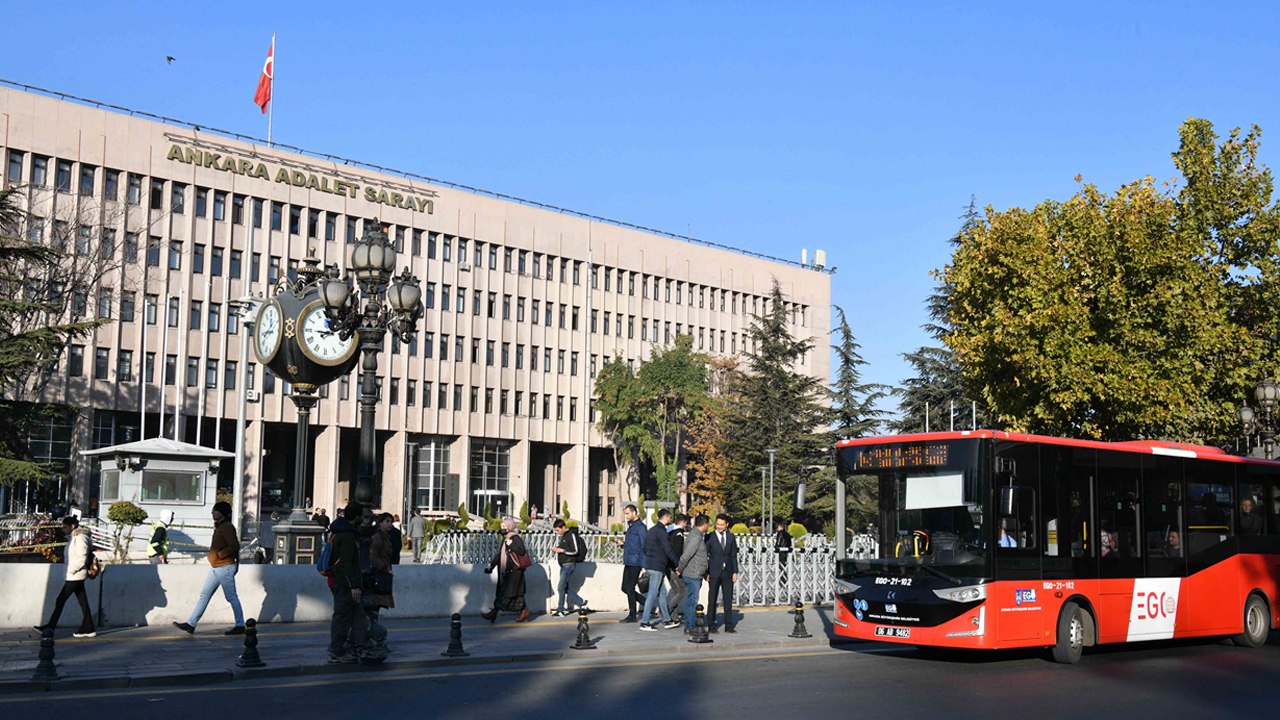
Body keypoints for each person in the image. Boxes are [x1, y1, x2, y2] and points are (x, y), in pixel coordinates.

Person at [173, 501, 244, 636]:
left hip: (225, 566)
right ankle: (191, 624)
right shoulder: (220, 526)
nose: (212, 513)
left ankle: (240, 625)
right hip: (216, 567)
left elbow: (234, 546)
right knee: (204, 595)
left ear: (222, 513)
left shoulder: (227, 527)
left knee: (231, 597)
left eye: (215, 511)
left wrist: (219, 555)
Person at [34, 515, 97, 638]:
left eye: (65, 527)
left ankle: (50, 627)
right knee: (83, 602)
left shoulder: (80, 538)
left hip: (75, 575)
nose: (63, 530)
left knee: (60, 600)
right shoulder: (74, 538)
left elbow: (81, 558)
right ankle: (88, 627)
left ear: (72, 526)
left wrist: (72, 570)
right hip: (74, 575)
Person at [327, 503, 368, 663]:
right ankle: (336, 651)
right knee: (342, 617)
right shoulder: (348, 536)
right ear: (357, 517)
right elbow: (345, 564)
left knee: (358, 616)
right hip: (343, 583)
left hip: (341, 581)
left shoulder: (339, 532)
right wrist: (354, 586)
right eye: (362, 516)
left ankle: (361, 645)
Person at [483, 518, 531, 623]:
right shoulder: (506, 539)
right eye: (501, 527)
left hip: (515, 572)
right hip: (508, 571)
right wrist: (491, 566)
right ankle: (525, 611)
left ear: (509, 527)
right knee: (515, 594)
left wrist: (511, 544)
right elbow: (500, 555)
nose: (502, 529)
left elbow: (522, 551)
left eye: (504, 527)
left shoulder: (515, 538)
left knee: (505, 593)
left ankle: (493, 613)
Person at [640, 509, 681, 631]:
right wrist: (677, 564)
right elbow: (668, 550)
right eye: (669, 518)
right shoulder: (662, 532)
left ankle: (667, 620)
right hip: (658, 567)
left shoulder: (651, 531)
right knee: (652, 594)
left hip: (651, 565)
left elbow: (645, 548)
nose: (670, 520)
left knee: (662, 593)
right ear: (667, 517)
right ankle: (645, 621)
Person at [365, 513, 397, 654]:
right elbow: (373, 556)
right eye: (387, 521)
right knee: (374, 606)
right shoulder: (378, 537)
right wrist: (385, 568)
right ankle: (373, 637)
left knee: (376, 607)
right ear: (380, 523)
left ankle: (373, 636)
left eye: (391, 521)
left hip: (382, 575)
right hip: (378, 576)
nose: (390, 524)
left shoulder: (386, 536)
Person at [706, 514, 739, 633]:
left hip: (728, 572)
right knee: (712, 598)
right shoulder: (709, 537)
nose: (719, 526)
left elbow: (733, 555)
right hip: (714, 572)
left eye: (722, 524)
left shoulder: (730, 537)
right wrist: (706, 572)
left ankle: (729, 624)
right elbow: (705, 555)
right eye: (718, 524)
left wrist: (735, 571)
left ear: (726, 525)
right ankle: (711, 624)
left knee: (728, 599)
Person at [678, 514, 710, 635]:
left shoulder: (696, 535)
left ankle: (690, 625)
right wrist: (680, 568)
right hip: (692, 574)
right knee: (692, 601)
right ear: (705, 524)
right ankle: (690, 626)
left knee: (692, 600)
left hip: (696, 573)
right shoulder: (696, 537)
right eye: (708, 524)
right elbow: (686, 555)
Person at [615, 504, 647, 623]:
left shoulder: (640, 527)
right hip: (629, 560)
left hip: (636, 561)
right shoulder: (631, 527)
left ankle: (632, 615)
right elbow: (633, 544)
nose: (626, 516)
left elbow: (644, 546)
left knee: (629, 587)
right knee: (625, 587)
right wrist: (623, 544)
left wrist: (644, 565)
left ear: (634, 513)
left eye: (628, 513)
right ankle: (645, 602)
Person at [552, 518, 587, 616]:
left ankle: (560, 610)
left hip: (568, 565)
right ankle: (581, 602)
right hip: (564, 565)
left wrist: (561, 551)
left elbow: (575, 551)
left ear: (563, 527)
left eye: (558, 530)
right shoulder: (564, 536)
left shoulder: (571, 535)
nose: (557, 532)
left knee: (560, 587)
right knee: (564, 587)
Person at [666, 514, 689, 623]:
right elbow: (677, 552)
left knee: (675, 590)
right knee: (682, 591)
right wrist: (678, 567)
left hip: (667, 566)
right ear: (683, 522)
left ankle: (674, 617)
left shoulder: (669, 532)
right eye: (686, 523)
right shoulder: (679, 534)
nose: (686, 525)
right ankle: (666, 610)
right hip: (674, 567)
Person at [773, 519, 792, 585]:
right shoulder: (787, 534)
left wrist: (776, 547)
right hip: (786, 551)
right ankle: (784, 579)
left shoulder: (780, 533)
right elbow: (790, 543)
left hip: (780, 551)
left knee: (780, 565)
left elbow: (778, 542)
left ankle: (783, 580)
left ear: (780, 527)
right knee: (784, 565)